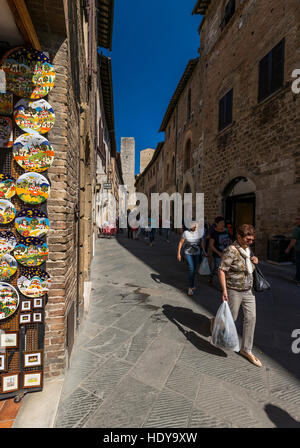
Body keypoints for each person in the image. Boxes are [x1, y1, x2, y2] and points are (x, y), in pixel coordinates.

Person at [212, 224, 262, 367]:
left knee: (251, 318)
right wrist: (224, 290)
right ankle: (215, 322)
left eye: (252, 240)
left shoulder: (247, 249)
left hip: (249, 290)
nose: (250, 242)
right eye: (248, 239)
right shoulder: (231, 251)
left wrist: (255, 261)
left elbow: (249, 264)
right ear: (239, 237)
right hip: (234, 289)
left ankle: (246, 350)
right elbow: (222, 270)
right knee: (231, 318)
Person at [177, 221, 207, 296]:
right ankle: (190, 288)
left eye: (197, 226)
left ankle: (192, 284)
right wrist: (179, 254)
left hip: (197, 253)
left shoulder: (199, 233)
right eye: (195, 226)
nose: (197, 227)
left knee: (194, 269)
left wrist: (204, 252)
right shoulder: (186, 233)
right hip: (188, 253)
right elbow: (180, 243)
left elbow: (201, 243)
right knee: (191, 268)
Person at [208, 216, 231, 284]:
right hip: (218, 255)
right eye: (221, 223)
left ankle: (225, 284)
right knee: (217, 269)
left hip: (227, 253)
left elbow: (230, 240)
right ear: (216, 224)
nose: (223, 224)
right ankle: (212, 276)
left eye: (223, 223)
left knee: (227, 269)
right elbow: (211, 245)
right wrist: (218, 253)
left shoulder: (226, 230)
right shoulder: (214, 233)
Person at [285, 216, 300, 286]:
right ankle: (297, 278)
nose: (296, 221)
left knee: (299, 265)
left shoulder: (297, 229)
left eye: (297, 219)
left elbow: (293, 240)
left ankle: (298, 280)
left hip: (299, 250)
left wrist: (288, 248)